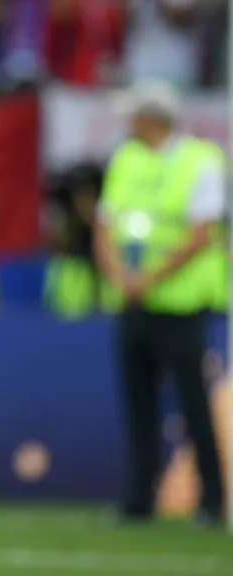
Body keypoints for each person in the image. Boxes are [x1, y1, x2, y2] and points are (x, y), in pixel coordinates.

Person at [94, 78, 225, 527]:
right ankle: (139, 499)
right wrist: (119, 276)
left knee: (193, 403)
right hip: (133, 302)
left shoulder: (202, 161)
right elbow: (105, 225)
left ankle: (212, 501)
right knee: (139, 402)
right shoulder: (126, 158)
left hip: (183, 305)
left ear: (151, 117)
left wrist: (145, 277)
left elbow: (201, 234)